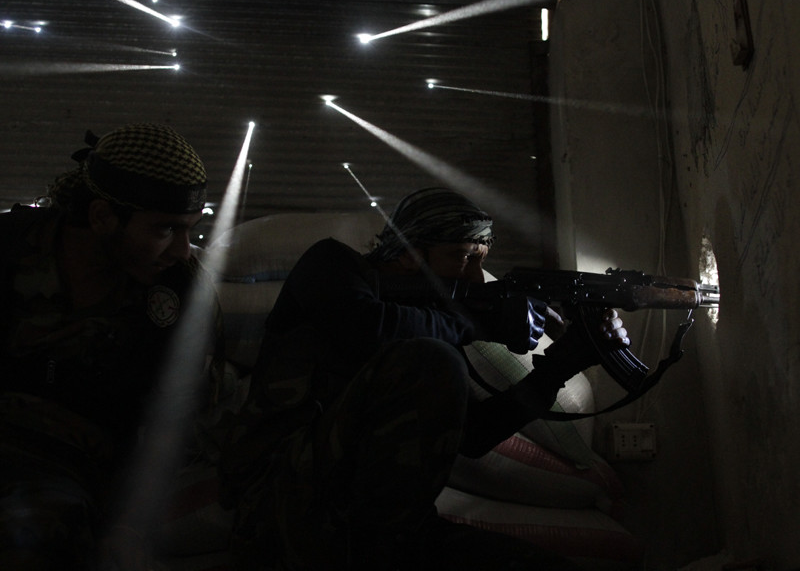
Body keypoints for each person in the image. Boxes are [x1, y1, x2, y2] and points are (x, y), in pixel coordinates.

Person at [219, 186, 629, 571]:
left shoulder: (429, 332)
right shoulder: (331, 266)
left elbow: (474, 435)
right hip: (284, 499)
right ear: (411, 254)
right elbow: (365, 328)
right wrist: (474, 322)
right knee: (435, 357)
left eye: (481, 261)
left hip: (386, 529)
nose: (473, 278)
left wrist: (565, 362)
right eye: (462, 258)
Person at [0, 124, 223, 570]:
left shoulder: (179, 295)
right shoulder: (12, 245)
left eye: (189, 231)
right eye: (165, 230)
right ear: (103, 217)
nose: (182, 250)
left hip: (71, 462)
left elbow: (171, 426)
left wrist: (129, 524)